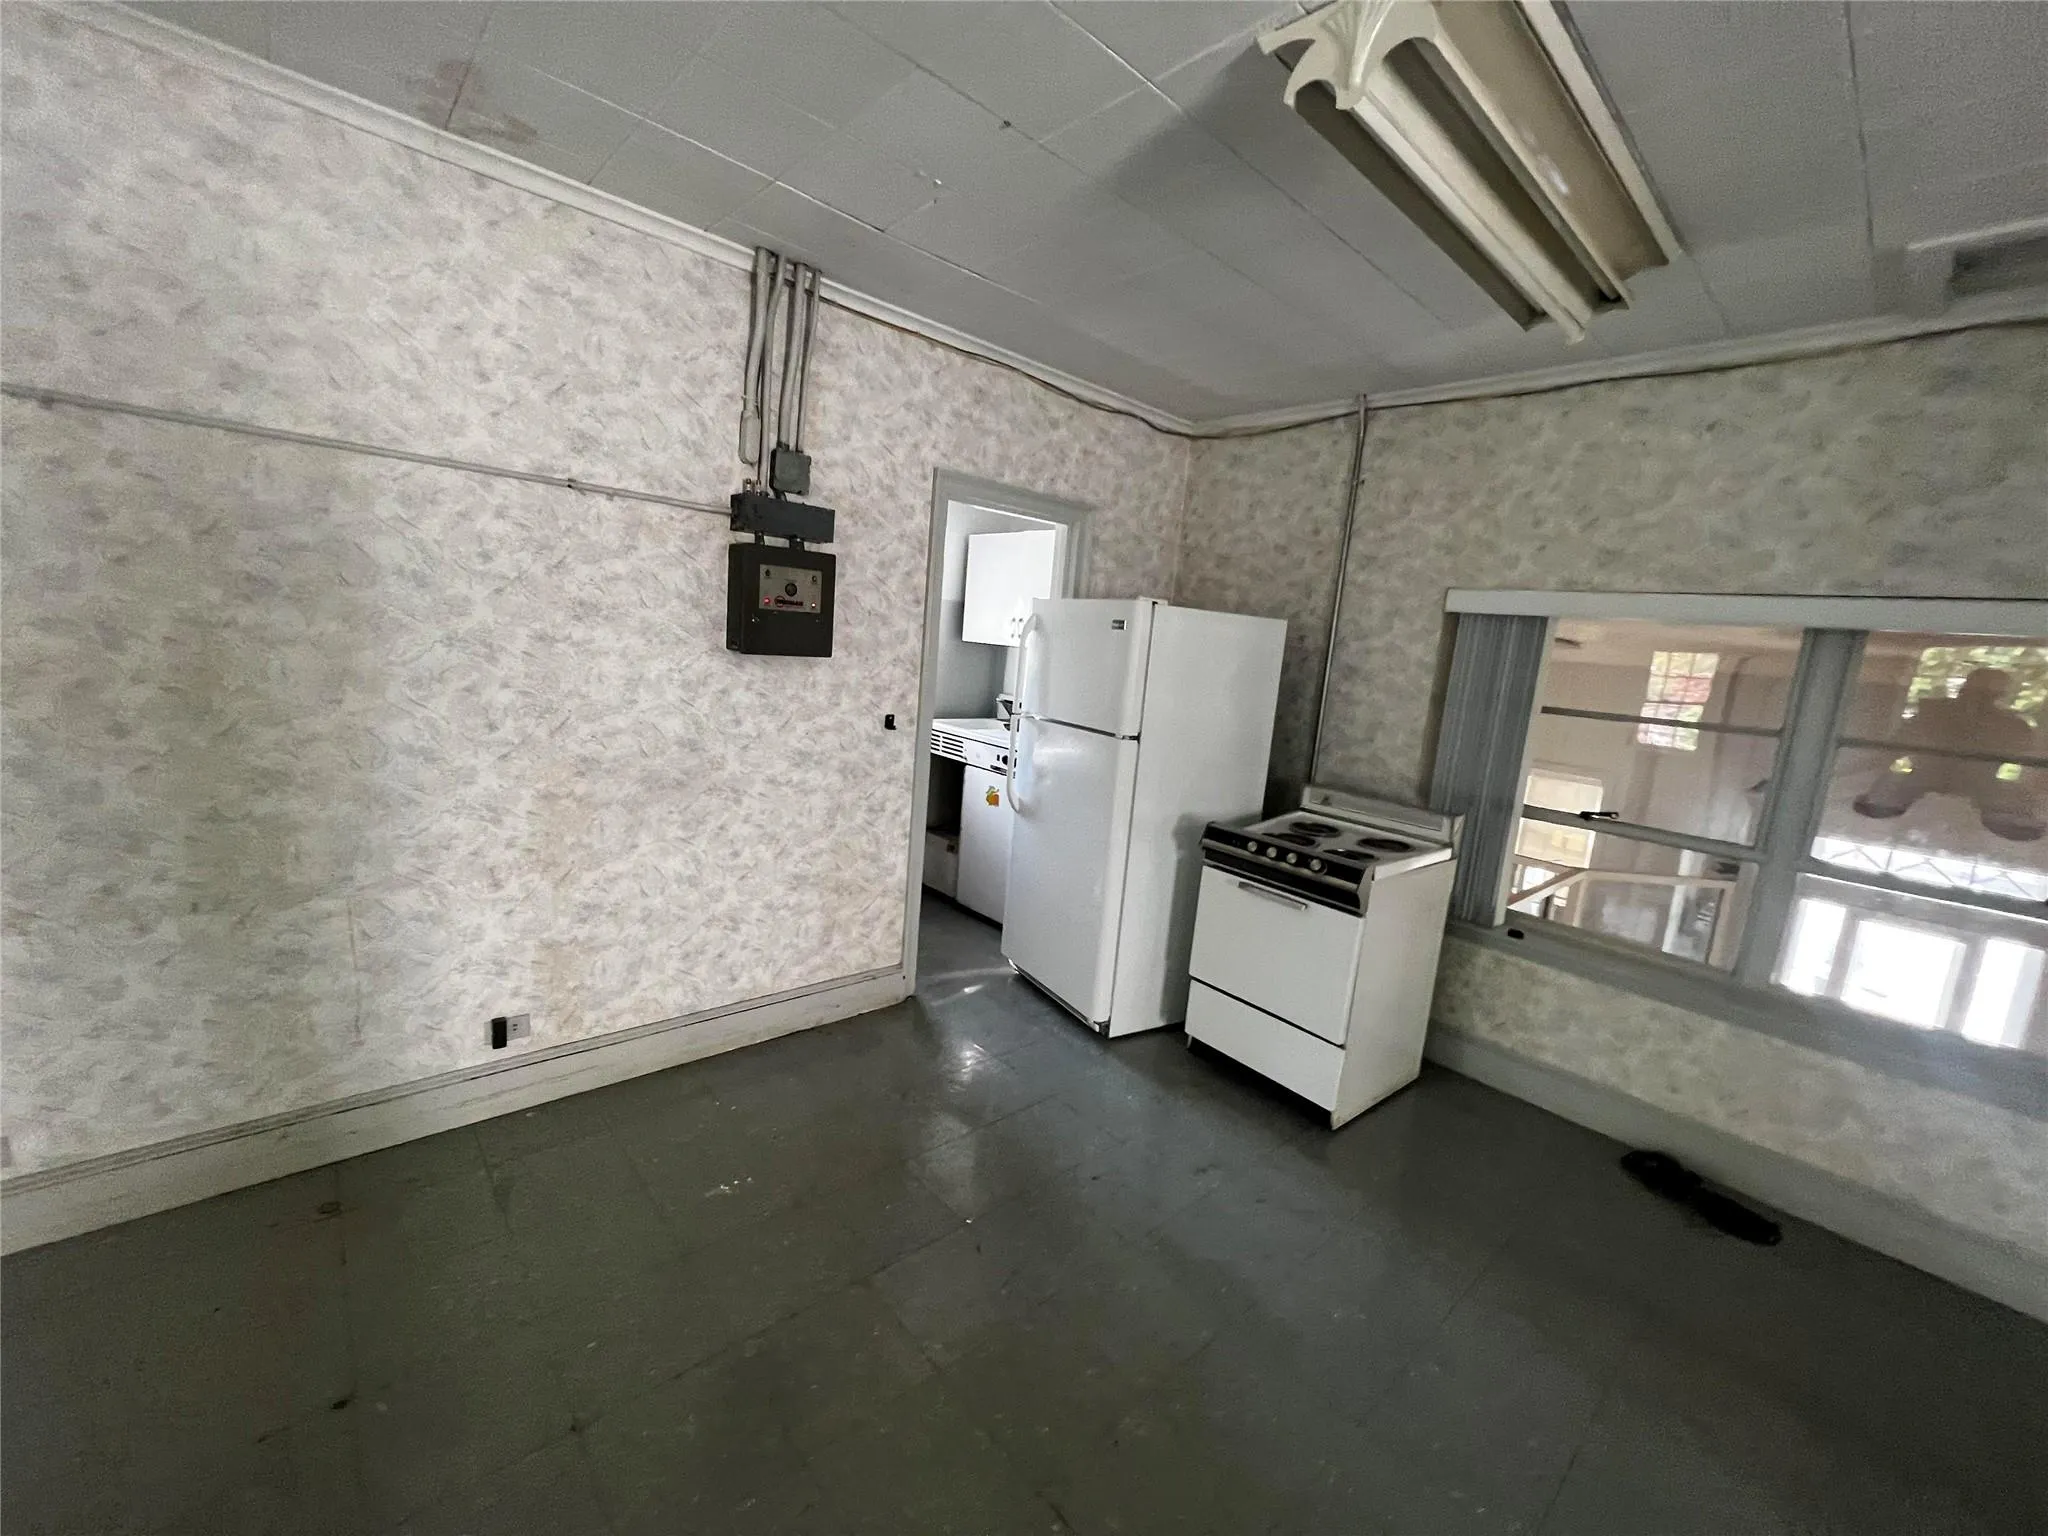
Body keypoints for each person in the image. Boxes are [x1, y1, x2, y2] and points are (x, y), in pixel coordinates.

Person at [1854, 667, 2042, 841]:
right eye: (1976, 692)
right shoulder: (1930, 715)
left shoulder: (2013, 726)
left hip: (1980, 787)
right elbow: (1892, 750)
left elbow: (2031, 763)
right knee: (1878, 801)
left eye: (1984, 694)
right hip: (1922, 781)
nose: (1976, 701)